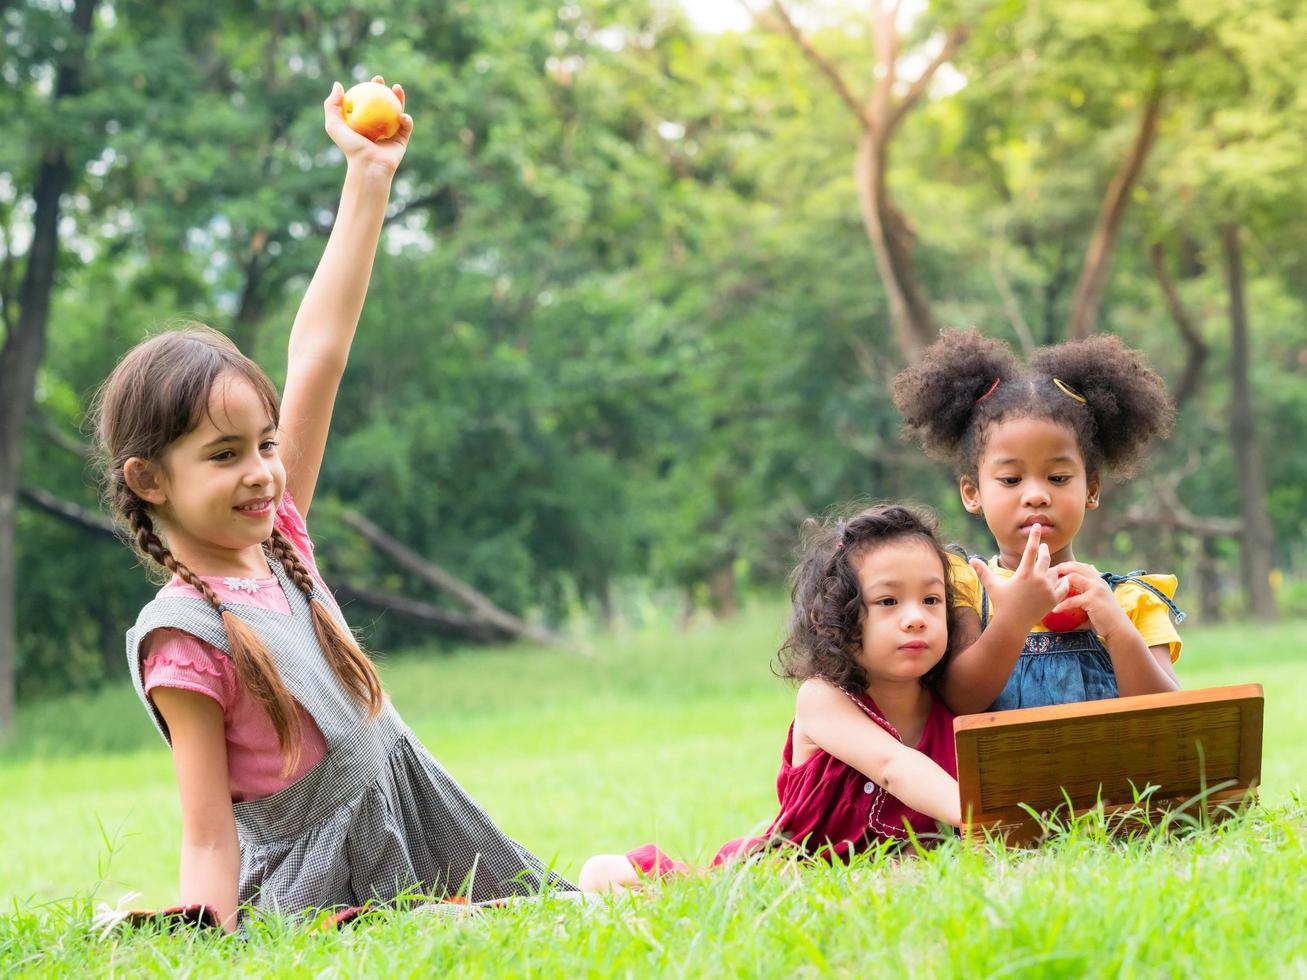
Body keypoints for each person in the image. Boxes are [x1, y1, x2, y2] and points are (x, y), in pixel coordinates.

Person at [92, 80, 571, 932]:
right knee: (452, 928)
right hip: (319, 886)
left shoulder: (281, 543)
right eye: (224, 455)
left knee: (564, 908)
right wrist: (202, 927)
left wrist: (368, 177)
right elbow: (208, 836)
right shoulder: (183, 639)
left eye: (266, 446)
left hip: (416, 823)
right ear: (150, 480)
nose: (262, 474)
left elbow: (319, 351)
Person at [579, 505, 962, 893]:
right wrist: (983, 813)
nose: (916, 617)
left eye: (931, 600)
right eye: (888, 602)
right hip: (794, 875)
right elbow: (891, 765)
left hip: (890, 877)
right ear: (832, 618)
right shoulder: (823, 698)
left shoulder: (954, 700)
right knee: (608, 875)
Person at [892, 329, 1185, 716]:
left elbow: (1171, 715)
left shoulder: (1131, 601)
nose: (1036, 495)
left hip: (1119, 779)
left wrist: (1115, 627)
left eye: (1058, 478)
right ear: (972, 493)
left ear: (1092, 490)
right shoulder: (965, 587)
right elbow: (960, 700)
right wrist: (1014, 616)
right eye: (1011, 480)